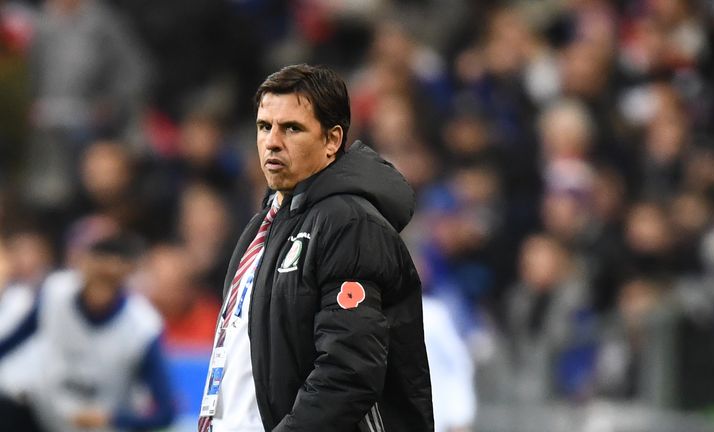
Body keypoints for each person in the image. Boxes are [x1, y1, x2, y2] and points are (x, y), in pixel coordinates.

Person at [197, 64, 433, 432]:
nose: (272, 141)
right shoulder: (262, 226)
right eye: (264, 127)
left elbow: (349, 371)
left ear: (332, 140)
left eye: (292, 128)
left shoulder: (349, 225)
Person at [0, 234, 175, 432]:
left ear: (127, 274)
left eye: (109, 279)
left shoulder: (143, 328)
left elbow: (165, 413)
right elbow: (14, 340)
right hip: (46, 415)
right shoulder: (56, 293)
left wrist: (114, 418)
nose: (100, 288)